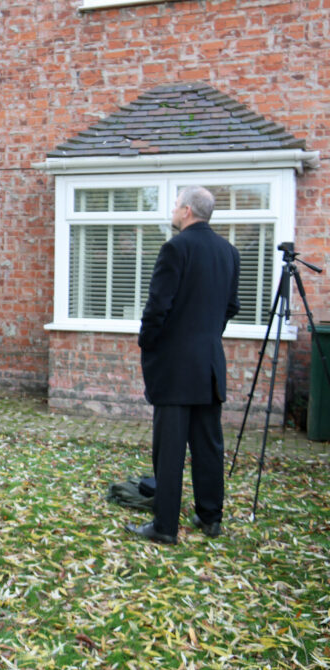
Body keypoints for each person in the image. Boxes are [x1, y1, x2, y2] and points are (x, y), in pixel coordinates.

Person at [127, 186, 240, 545]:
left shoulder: (175, 248)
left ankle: (164, 526)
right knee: (208, 445)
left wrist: (147, 342)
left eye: (176, 206)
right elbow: (231, 306)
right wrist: (207, 335)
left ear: (188, 211)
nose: (173, 211)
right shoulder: (229, 252)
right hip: (209, 364)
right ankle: (210, 517)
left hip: (175, 366)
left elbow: (158, 306)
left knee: (170, 448)